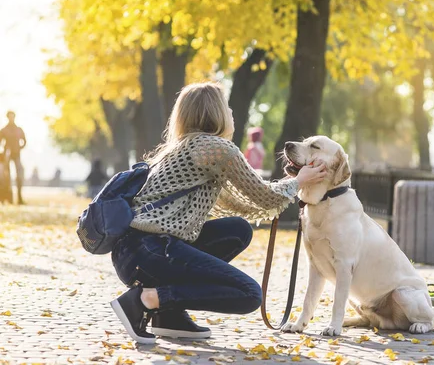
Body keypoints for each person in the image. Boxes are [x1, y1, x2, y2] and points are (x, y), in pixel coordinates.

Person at [109, 82, 327, 344]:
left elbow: (247, 199)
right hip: (151, 249)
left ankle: (167, 315)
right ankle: (147, 300)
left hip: (134, 251)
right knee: (248, 293)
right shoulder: (216, 148)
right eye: (227, 107)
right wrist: (300, 180)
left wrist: (292, 184)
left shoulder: (179, 148)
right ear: (216, 113)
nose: (232, 113)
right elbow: (264, 196)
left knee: (238, 230)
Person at [0, 111, 26, 205]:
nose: (11, 118)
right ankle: (7, 197)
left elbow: (24, 141)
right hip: (7, 155)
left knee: (19, 175)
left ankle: (19, 198)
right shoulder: (4, 130)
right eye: (9, 117)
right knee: (6, 177)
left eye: (12, 116)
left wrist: (19, 148)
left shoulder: (18, 129)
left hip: (16, 154)